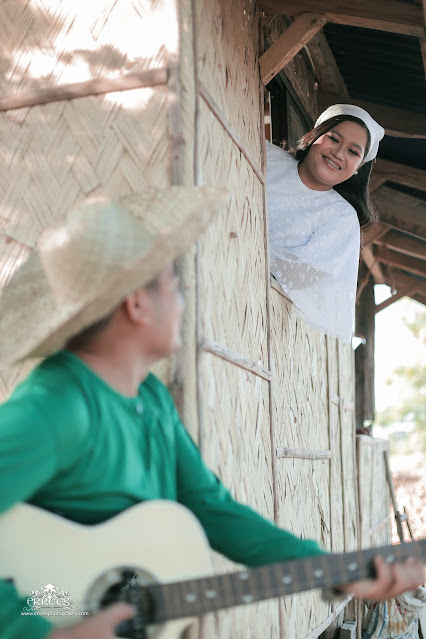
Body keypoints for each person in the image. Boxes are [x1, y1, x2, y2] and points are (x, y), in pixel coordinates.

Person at [0, 189, 423, 639]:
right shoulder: (58, 406)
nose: (183, 300)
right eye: (173, 285)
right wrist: (44, 632)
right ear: (137, 304)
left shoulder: (150, 400)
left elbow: (209, 507)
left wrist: (329, 570)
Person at [266, 103, 385, 342]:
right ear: (315, 135)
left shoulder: (341, 217)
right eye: (333, 138)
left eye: (353, 152)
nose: (338, 153)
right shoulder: (265, 156)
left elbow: (301, 278)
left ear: (358, 168)